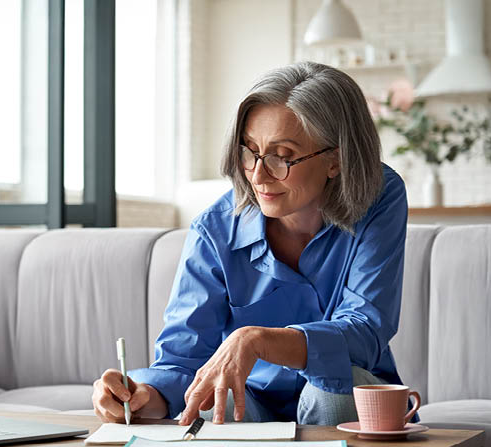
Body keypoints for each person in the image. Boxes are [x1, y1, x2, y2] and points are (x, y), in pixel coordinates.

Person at [92, 61, 412, 427]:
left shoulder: (379, 196)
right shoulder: (214, 229)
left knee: (334, 387)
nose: (258, 175)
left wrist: (257, 340)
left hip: (343, 397)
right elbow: (183, 360)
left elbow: (365, 328)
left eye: (282, 156)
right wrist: (140, 397)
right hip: (252, 401)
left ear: (335, 161)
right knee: (217, 401)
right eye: (250, 152)